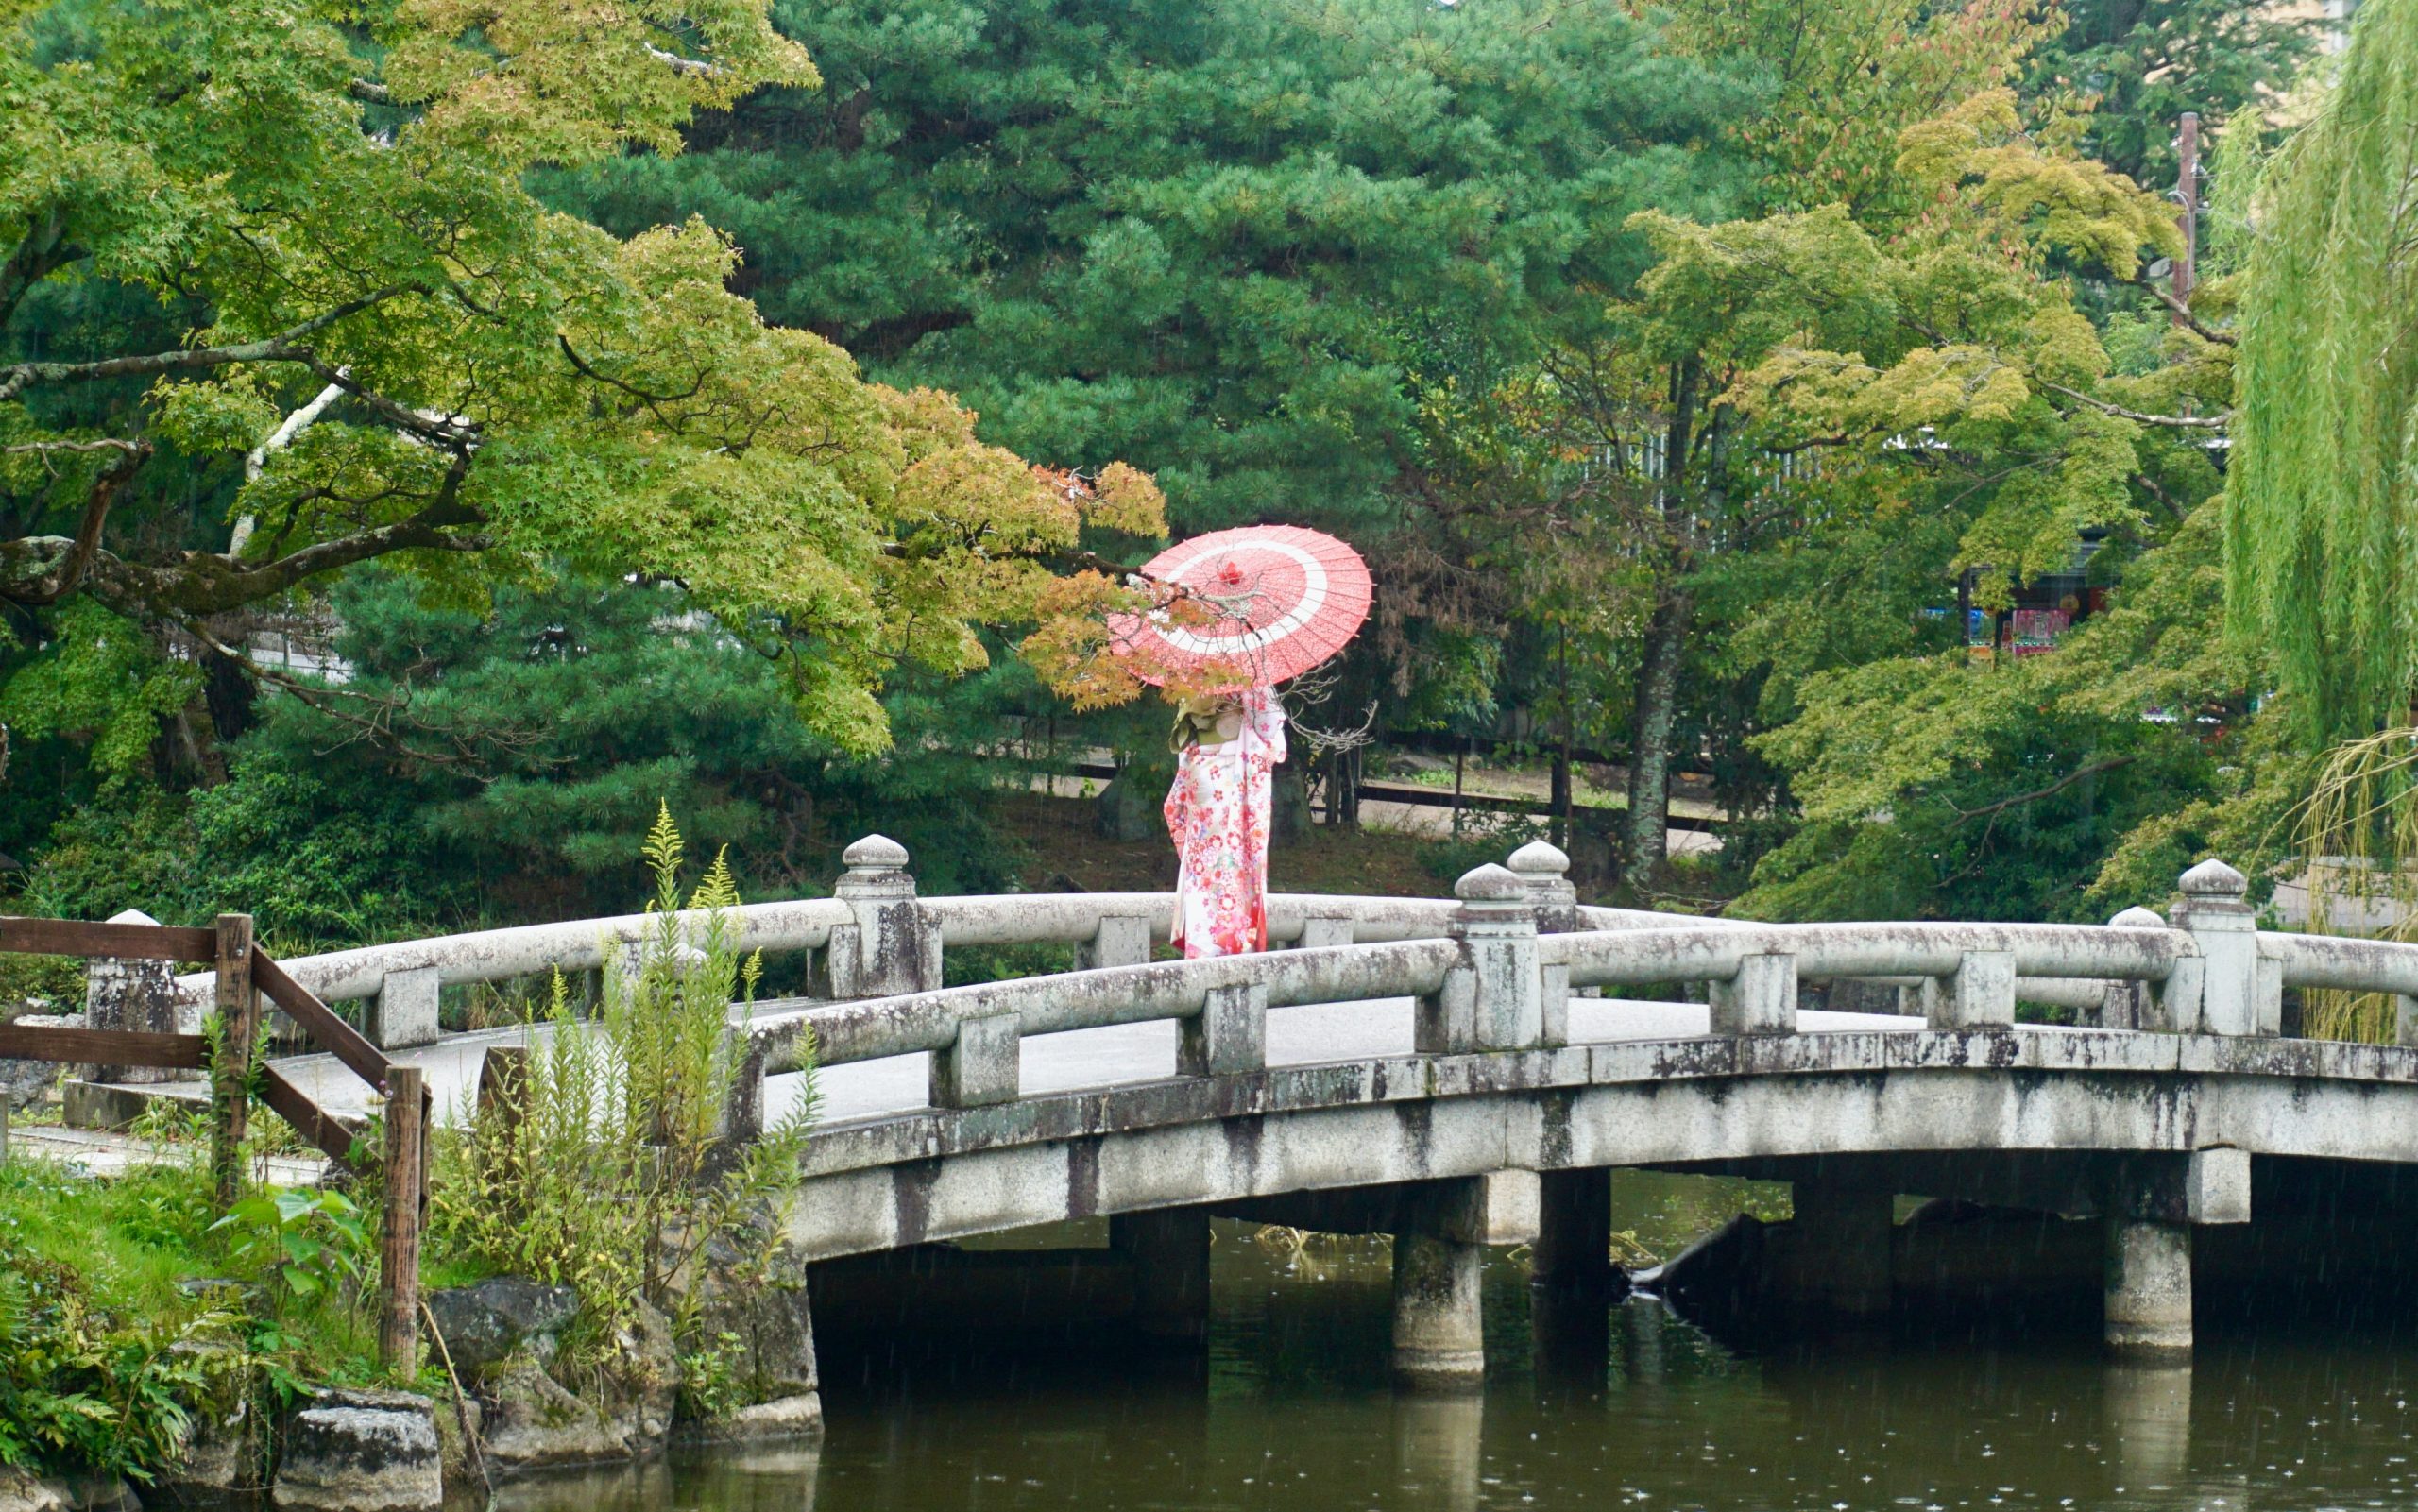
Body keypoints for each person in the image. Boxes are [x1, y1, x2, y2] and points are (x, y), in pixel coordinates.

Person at [1164, 685, 1286, 958]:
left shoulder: (1195, 663)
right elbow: (1270, 735)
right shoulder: (1249, 667)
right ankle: (1234, 946)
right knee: (1235, 862)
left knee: (1202, 863)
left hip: (1200, 772)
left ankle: (1202, 948)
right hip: (1236, 771)